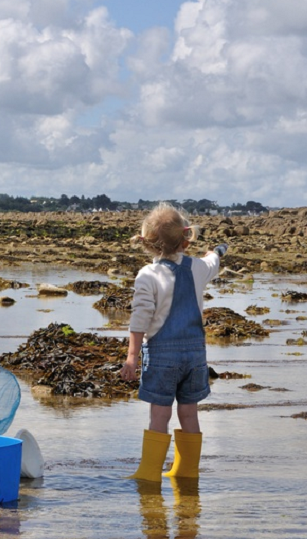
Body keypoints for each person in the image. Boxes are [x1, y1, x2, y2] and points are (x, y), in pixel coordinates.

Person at [120, 203, 228, 481]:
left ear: (149, 243)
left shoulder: (148, 275)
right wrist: (214, 253)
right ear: (186, 238)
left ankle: (149, 472)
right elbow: (213, 263)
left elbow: (139, 319)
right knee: (189, 414)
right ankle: (187, 472)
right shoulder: (198, 268)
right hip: (194, 357)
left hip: (161, 356)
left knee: (160, 416)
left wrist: (132, 357)